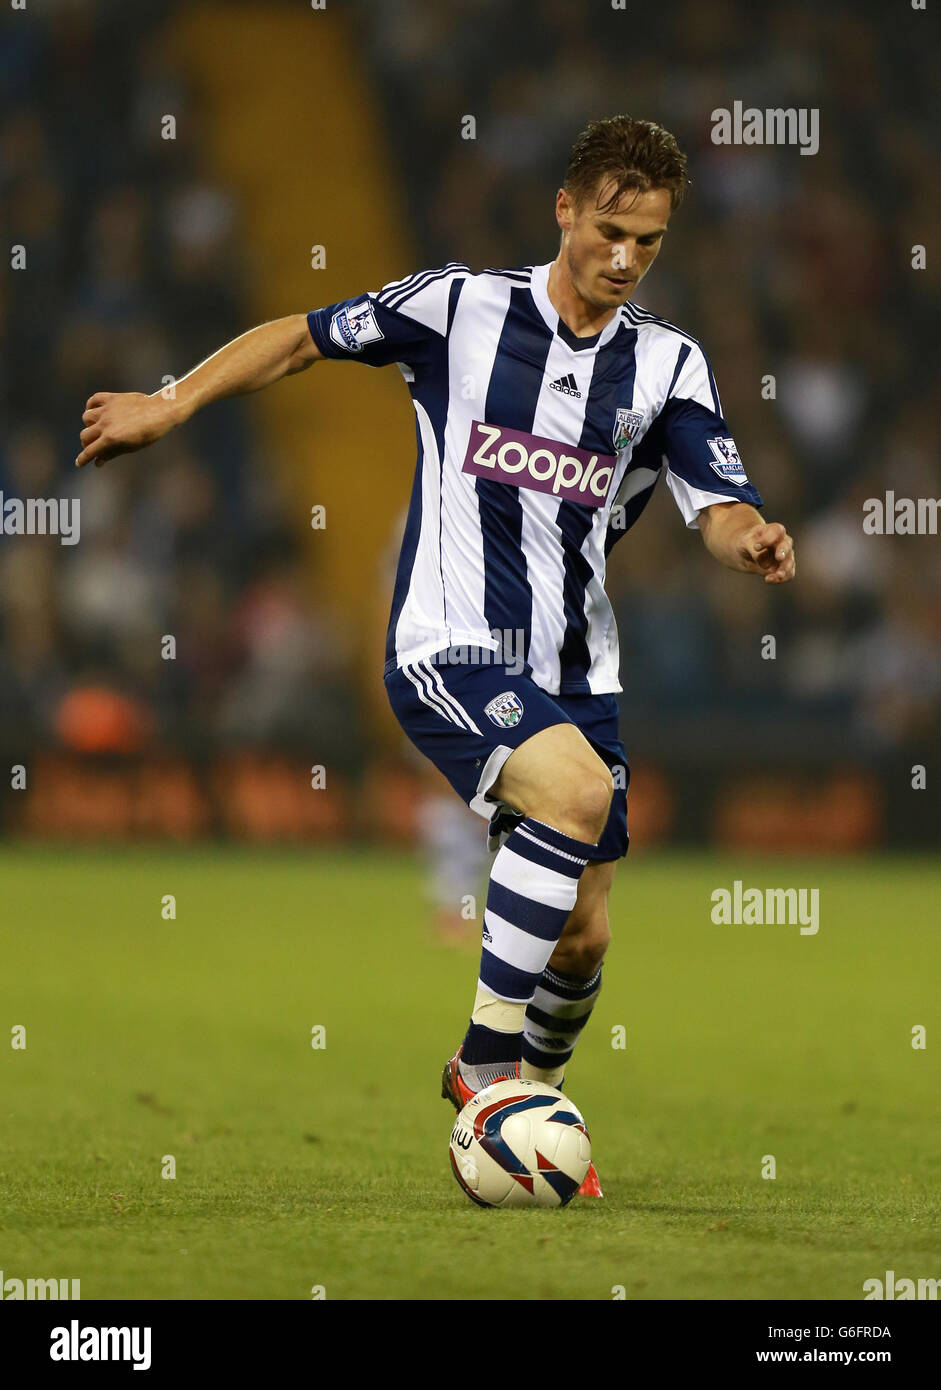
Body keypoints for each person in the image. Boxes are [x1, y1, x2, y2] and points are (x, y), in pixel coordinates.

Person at [76, 116, 796, 1200]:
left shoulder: (665, 362)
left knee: (581, 939)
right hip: (445, 644)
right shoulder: (456, 308)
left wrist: (747, 539)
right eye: (608, 230)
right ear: (563, 209)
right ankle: (483, 1068)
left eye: (647, 241)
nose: (623, 257)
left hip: (575, 673)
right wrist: (169, 403)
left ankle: (528, 1113)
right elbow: (300, 335)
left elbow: (716, 497)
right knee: (573, 792)